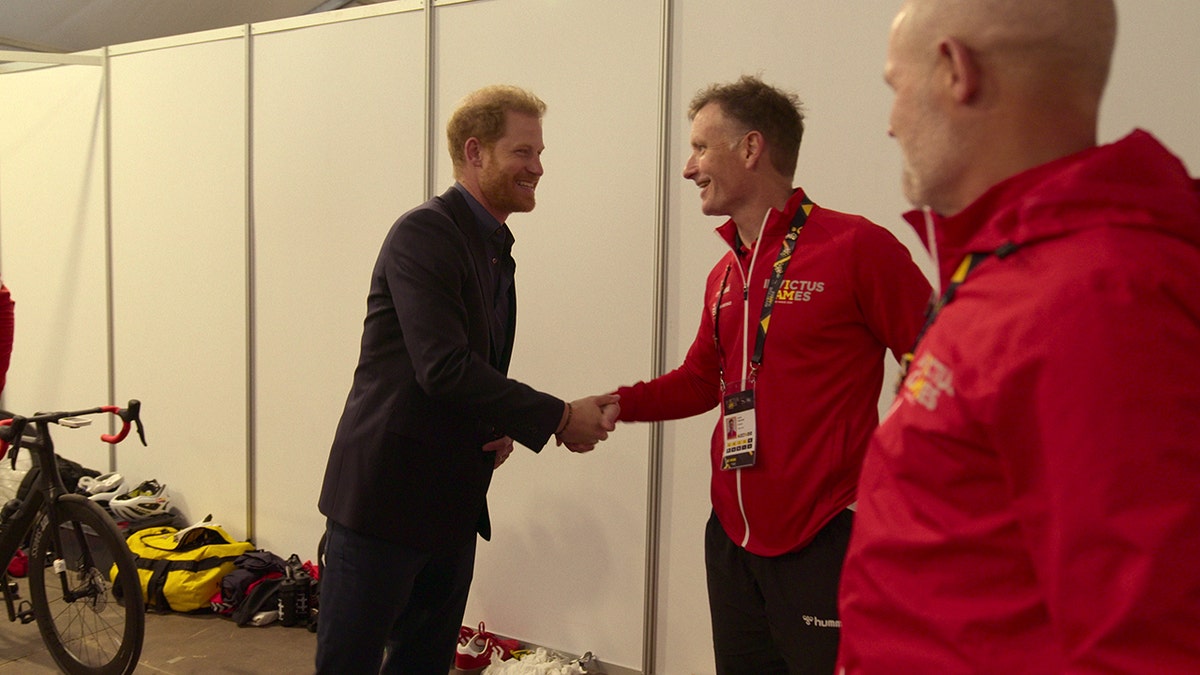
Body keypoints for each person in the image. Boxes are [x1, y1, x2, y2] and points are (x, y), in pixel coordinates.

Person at [837, 1, 1200, 672]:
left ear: (955, 70)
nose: (889, 123)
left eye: (895, 87)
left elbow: (1153, 644)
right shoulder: (1017, 270)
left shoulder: (1097, 301)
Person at [605, 76, 932, 674]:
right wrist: (614, 404)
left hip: (826, 535)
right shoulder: (724, 276)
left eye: (702, 147)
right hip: (731, 542)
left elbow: (939, 358)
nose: (689, 167)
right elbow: (702, 382)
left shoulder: (857, 247)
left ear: (751, 148)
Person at [315, 84, 619, 674]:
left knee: (423, 665)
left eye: (539, 153)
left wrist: (493, 423)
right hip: (383, 506)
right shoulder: (425, 234)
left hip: (448, 509)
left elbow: (461, 368)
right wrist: (557, 417)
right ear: (475, 152)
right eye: (523, 152)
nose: (537, 167)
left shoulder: (492, 248)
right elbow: (443, 367)